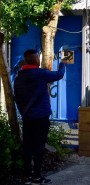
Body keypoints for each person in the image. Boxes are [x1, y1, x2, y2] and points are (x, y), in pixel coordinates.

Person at [14, 49, 67, 184]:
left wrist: (23, 112)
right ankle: (37, 176)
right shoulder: (40, 74)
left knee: (27, 146)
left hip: (27, 117)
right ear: (36, 60)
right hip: (41, 117)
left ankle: (27, 177)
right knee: (39, 146)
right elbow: (59, 75)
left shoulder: (19, 77)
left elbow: (17, 98)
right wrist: (62, 63)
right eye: (38, 57)